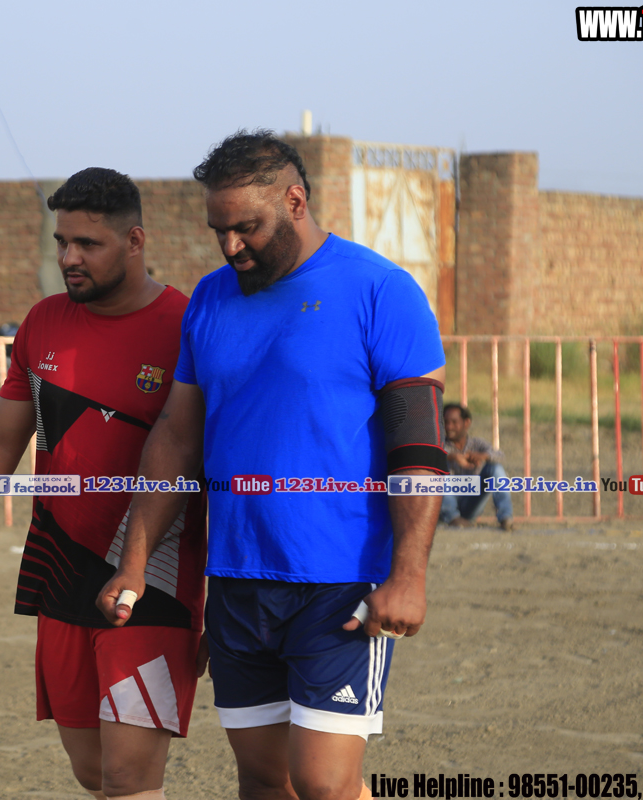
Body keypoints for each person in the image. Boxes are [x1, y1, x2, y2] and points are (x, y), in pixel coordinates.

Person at [97, 131, 448, 800]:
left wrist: (409, 575)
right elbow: (176, 436)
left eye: (246, 228)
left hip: (340, 580)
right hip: (236, 579)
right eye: (219, 230)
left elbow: (418, 444)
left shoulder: (380, 289)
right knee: (263, 778)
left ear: (295, 201)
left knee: (324, 783)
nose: (231, 246)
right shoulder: (211, 298)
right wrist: (134, 561)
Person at [0, 168, 207, 800]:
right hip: (60, 567)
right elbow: (0, 438)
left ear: (135, 241)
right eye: (61, 242)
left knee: (129, 775)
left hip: (154, 574)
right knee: (91, 772)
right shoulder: (42, 322)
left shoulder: (187, 325)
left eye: (87, 244)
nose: (68, 257)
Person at [439, 403, 514, 531]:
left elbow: (500, 455)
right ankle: (452, 518)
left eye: (454, 422)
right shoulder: (439, 444)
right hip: (446, 503)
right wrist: (452, 457)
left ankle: (506, 518)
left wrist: (483, 456)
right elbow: (428, 457)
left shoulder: (477, 444)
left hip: (471, 501)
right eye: (446, 422)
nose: (449, 427)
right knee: (437, 468)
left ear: (466, 422)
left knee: (495, 468)